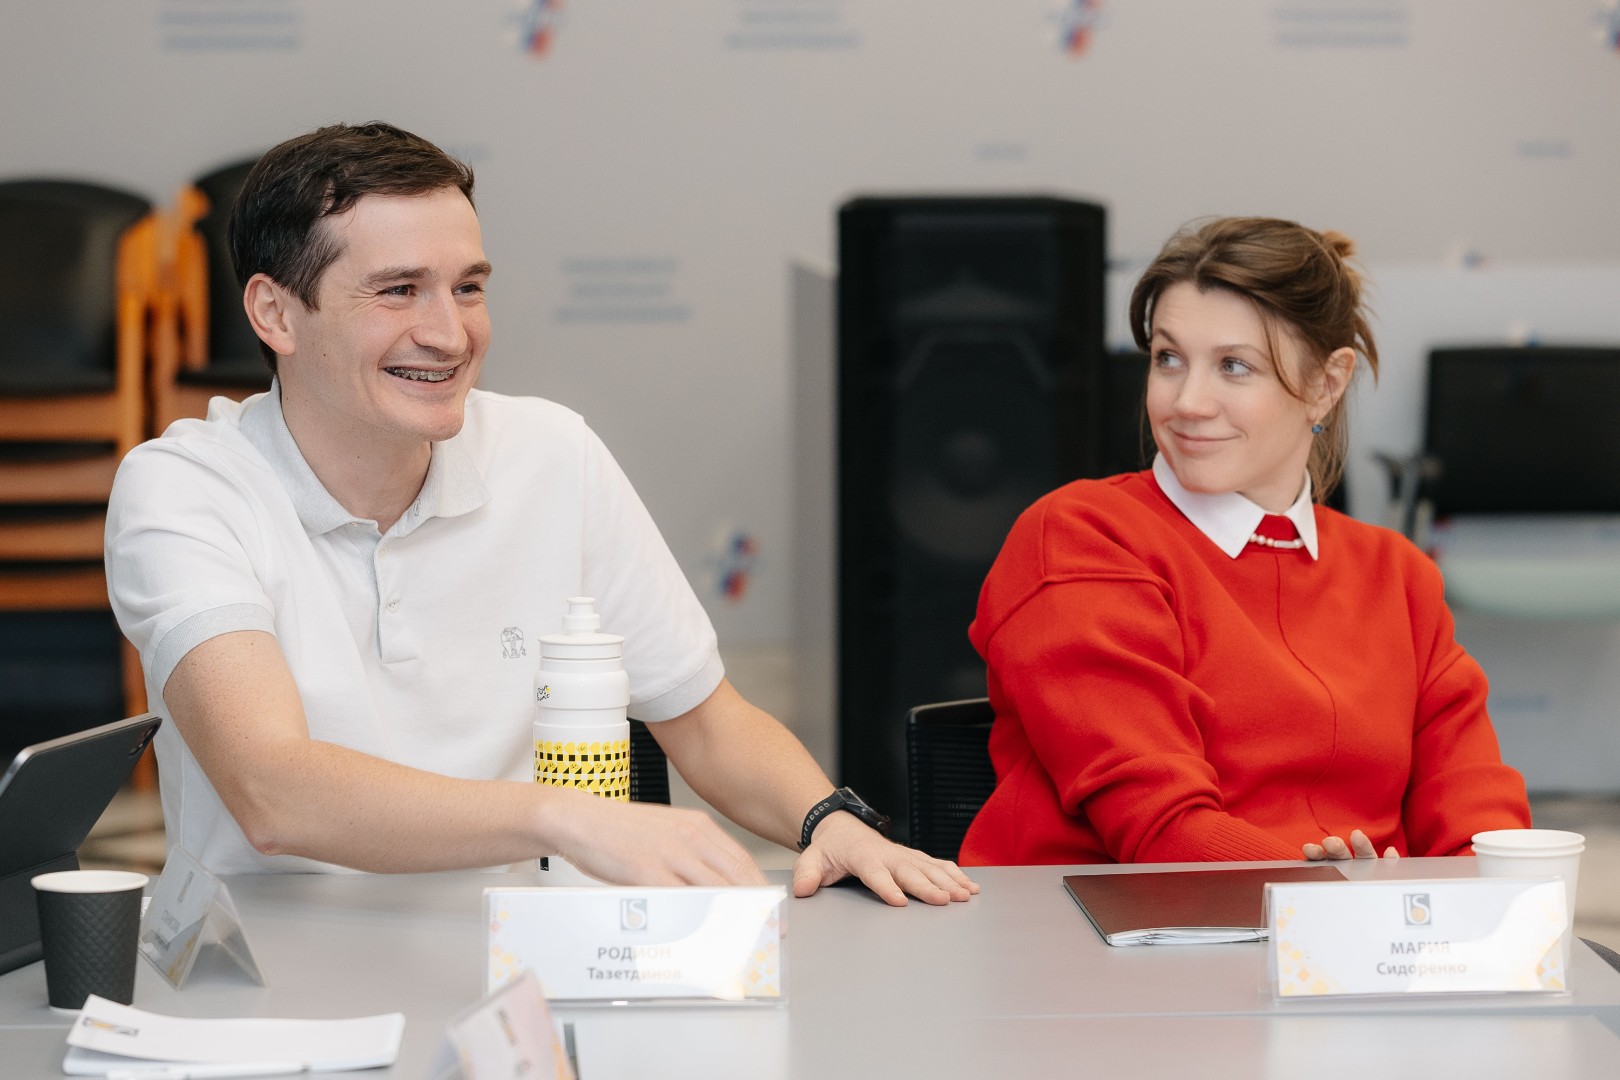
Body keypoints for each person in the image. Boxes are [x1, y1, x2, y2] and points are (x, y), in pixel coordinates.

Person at [105, 121, 977, 907]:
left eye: (468, 288)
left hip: (521, 961)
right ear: (275, 313)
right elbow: (273, 792)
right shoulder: (184, 488)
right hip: (268, 976)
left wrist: (830, 819)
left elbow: (707, 721)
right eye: (399, 290)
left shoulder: (551, 451)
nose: (450, 334)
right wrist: (562, 818)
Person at [959, 216, 1531, 866]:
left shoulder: (1397, 575)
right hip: (1111, 926)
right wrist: (1342, 902)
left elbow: (1477, 817)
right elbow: (1160, 829)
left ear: (1327, 384)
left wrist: (1467, 903)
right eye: (1168, 359)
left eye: (1234, 366)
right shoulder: (1080, 537)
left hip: (1345, 925)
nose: (1187, 402)